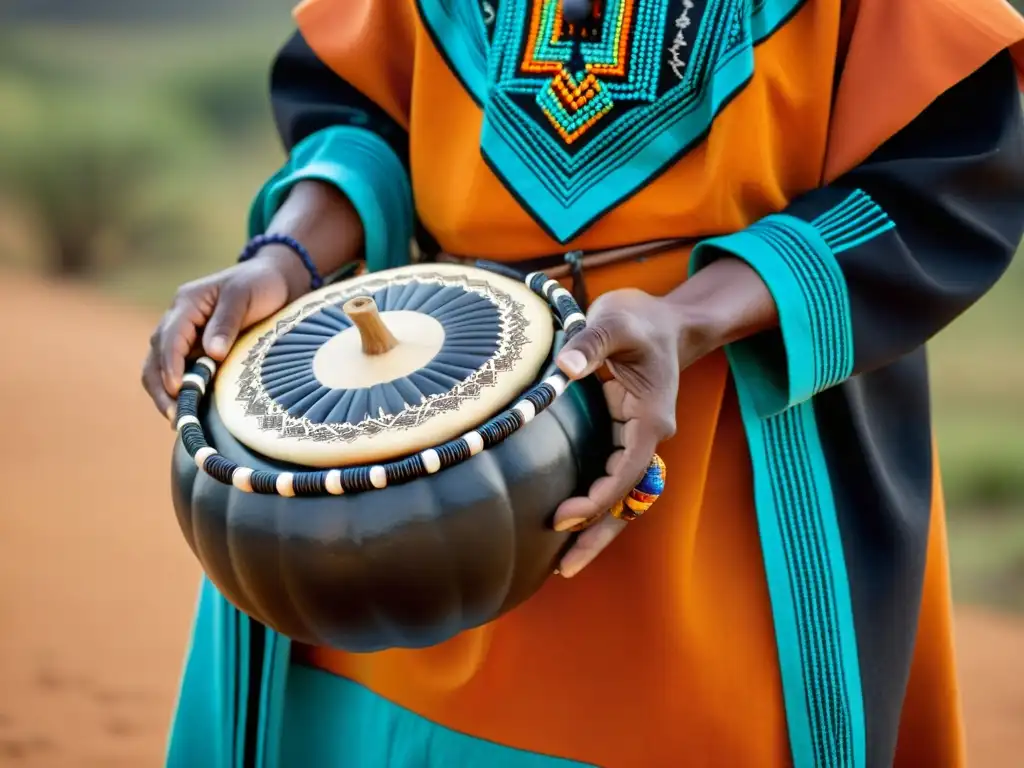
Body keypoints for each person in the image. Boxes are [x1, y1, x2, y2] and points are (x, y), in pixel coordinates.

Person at [143, 1, 1024, 765]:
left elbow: (939, 179)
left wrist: (687, 320)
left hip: (731, 461)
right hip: (408, 443)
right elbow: (364, 107)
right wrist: (288, 252)